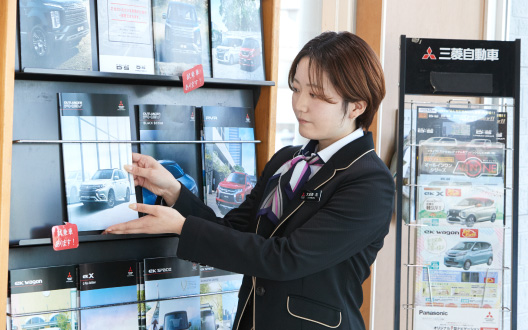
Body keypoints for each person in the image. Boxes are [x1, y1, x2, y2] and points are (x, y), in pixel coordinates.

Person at [104, 31, 394, 330]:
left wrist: (180, 226)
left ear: (357, 106)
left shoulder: (370, 182)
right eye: (296, 89)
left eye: (316, 95)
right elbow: (235, 232)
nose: (299, 105)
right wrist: (174, 191)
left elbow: (286, 259)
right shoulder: (287, 159)